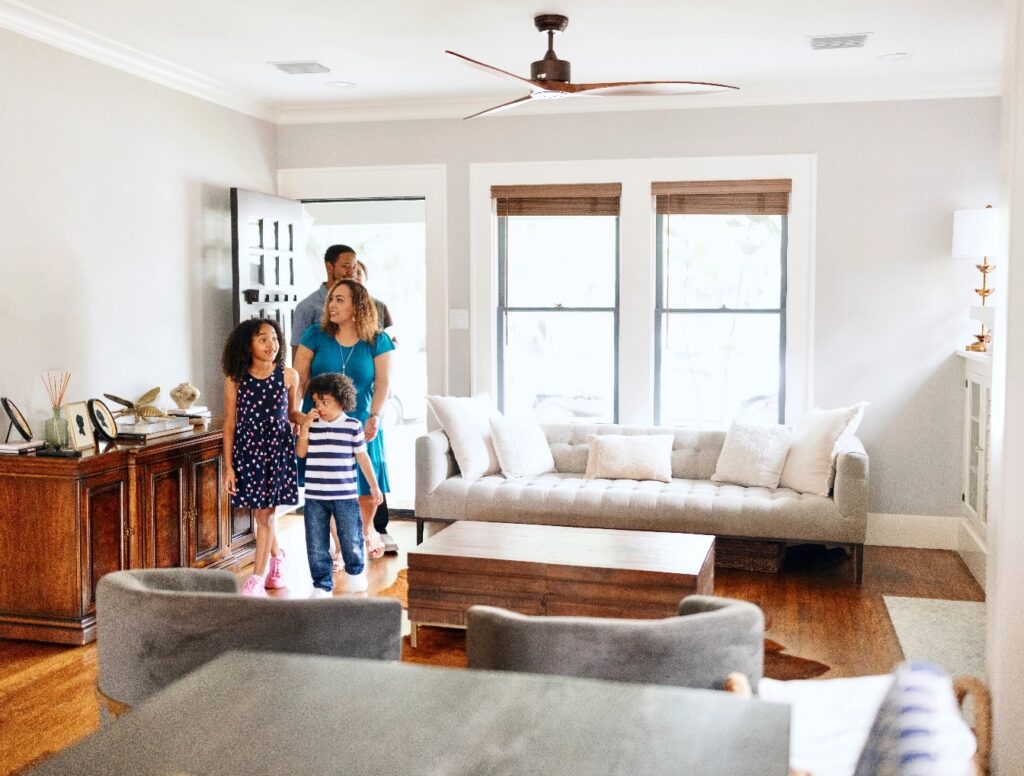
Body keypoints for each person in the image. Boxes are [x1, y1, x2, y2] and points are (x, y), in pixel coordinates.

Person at [294, 278, 393, 561]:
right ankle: (340, 543)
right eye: (331, 299)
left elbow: (384, 383)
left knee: (365, 483)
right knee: (326, 485)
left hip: (361, 419)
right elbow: (299, 379)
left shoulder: (377, 340)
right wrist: (295, 414)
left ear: (357, 306)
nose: (332, 305)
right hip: (320, 421)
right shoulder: (315, 334)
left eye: (340, 299)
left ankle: (362, 533)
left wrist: (376, 416)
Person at [222, 318, 301, 597]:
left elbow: (292, 414)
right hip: (248, 451)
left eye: (274, 338)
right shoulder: (235, 379)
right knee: (260, 513)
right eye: (263, 339)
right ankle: (278, 558)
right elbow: (229, 424)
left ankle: (256, 578)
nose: (271, 345)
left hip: (276, 450)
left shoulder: (289, 376)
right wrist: (229, 467)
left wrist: (306, 419)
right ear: (248, 344)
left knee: (266, 515)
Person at [297, 372, 382, 597]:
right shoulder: (312, 425)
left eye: (325, 402)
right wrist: (304, 429)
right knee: (316, 543)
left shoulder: (353, 426)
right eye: (316, 402)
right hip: (315, 497)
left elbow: (363, 458)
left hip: (344, 495)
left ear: (341, 401)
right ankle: (321, 584)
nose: (320, 407)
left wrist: (374, 486)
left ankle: (356, 574)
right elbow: (301, 453)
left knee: (351, 537)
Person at [353, 258, 398, 554]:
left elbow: (392, 340)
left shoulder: (379, 307)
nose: (354, 275)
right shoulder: (324, 311)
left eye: (359, 272)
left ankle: (376, 527)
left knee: (372, 460)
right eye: (350, 271)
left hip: (371, 390)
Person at [291, 245, 360, 362]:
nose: (352, 272)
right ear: (329, 267)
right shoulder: (307, 307)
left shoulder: (360, 303)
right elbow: (297, 354)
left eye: (354, 267)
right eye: (345, 266)